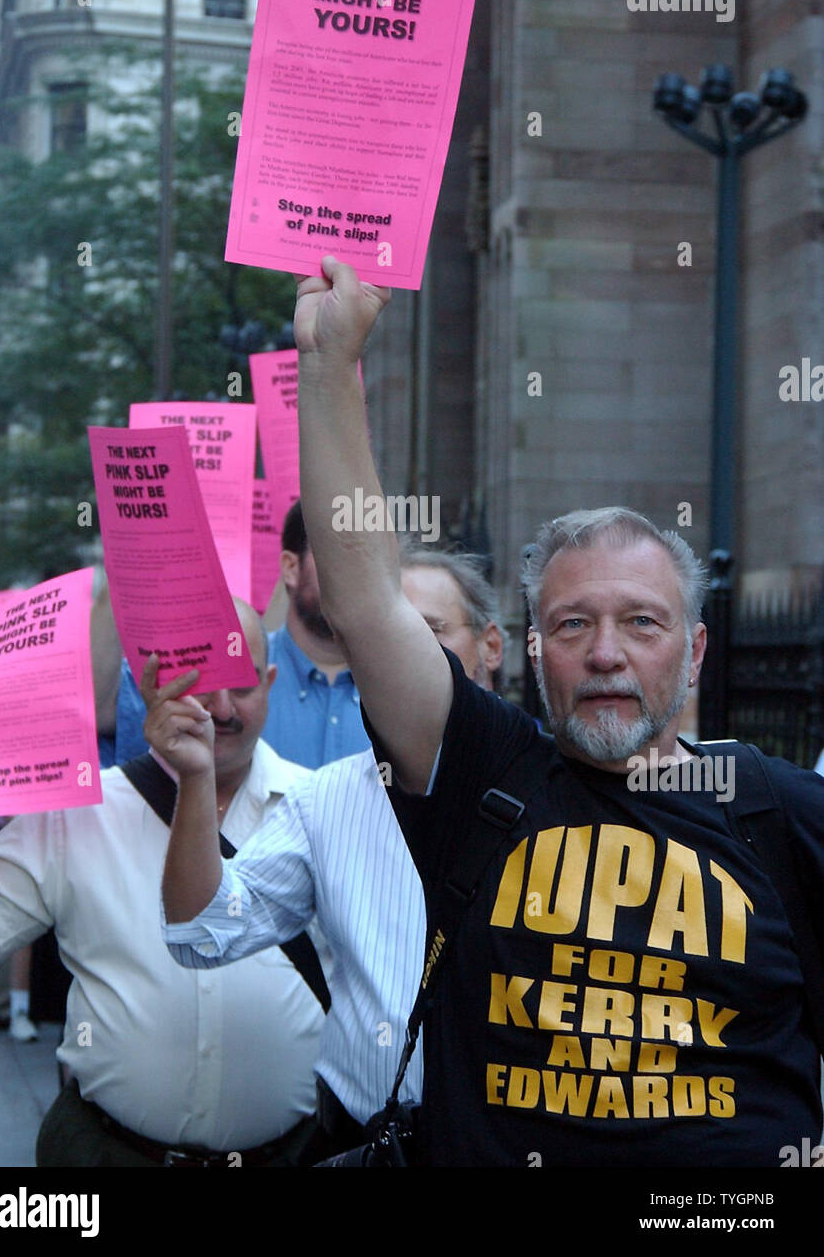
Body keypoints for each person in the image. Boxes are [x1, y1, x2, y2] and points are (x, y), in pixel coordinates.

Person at [291, 255, 824, 1167]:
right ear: (534, 650)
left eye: (642, 623)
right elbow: (367, 602)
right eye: (573, 623)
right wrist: (331, 362)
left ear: (694, 651)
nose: (606, 651)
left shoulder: (780, 815)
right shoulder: (484, 775)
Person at [0, 600, 325, 1167]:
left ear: (270, 683)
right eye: (201, 683)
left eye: (241, 684)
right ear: (152, 683)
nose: (220, 709)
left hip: (291, 1153)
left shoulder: (324, 808)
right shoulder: (79, 811)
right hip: (106, 1153)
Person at [159, 546, 504, 1160]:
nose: (405, 657)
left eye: (429, 632)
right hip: (365, 1143)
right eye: (381, 637)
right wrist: (194, 779)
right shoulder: (325, 803)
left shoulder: (557, 786)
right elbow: (200, 934)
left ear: (492, 647)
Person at [261, 500, 371, 767]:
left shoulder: (403, 692)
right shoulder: (240, 684)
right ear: (291, 568)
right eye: (337, 554)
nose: (355, 572)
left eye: (368, 558)